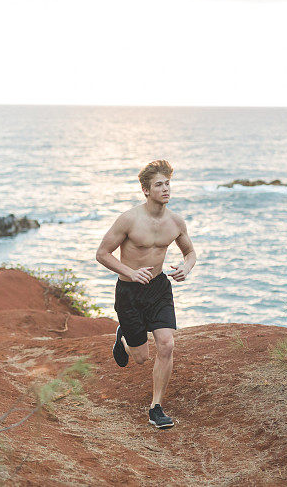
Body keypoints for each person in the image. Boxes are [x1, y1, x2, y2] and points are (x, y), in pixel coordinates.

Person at [95, 159, 197, 429]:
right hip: (129, 291)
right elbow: (102, 254)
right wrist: (129, 272)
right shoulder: (129, 219)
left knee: (166, 344)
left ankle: (156, 407)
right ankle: (124, 337)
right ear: (145, 190)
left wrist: (186, 267)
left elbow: (190, 252)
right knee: (140, 357)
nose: (166, 189)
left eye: (168, 184)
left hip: (158, 288)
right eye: (159, 185)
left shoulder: (176, 222)